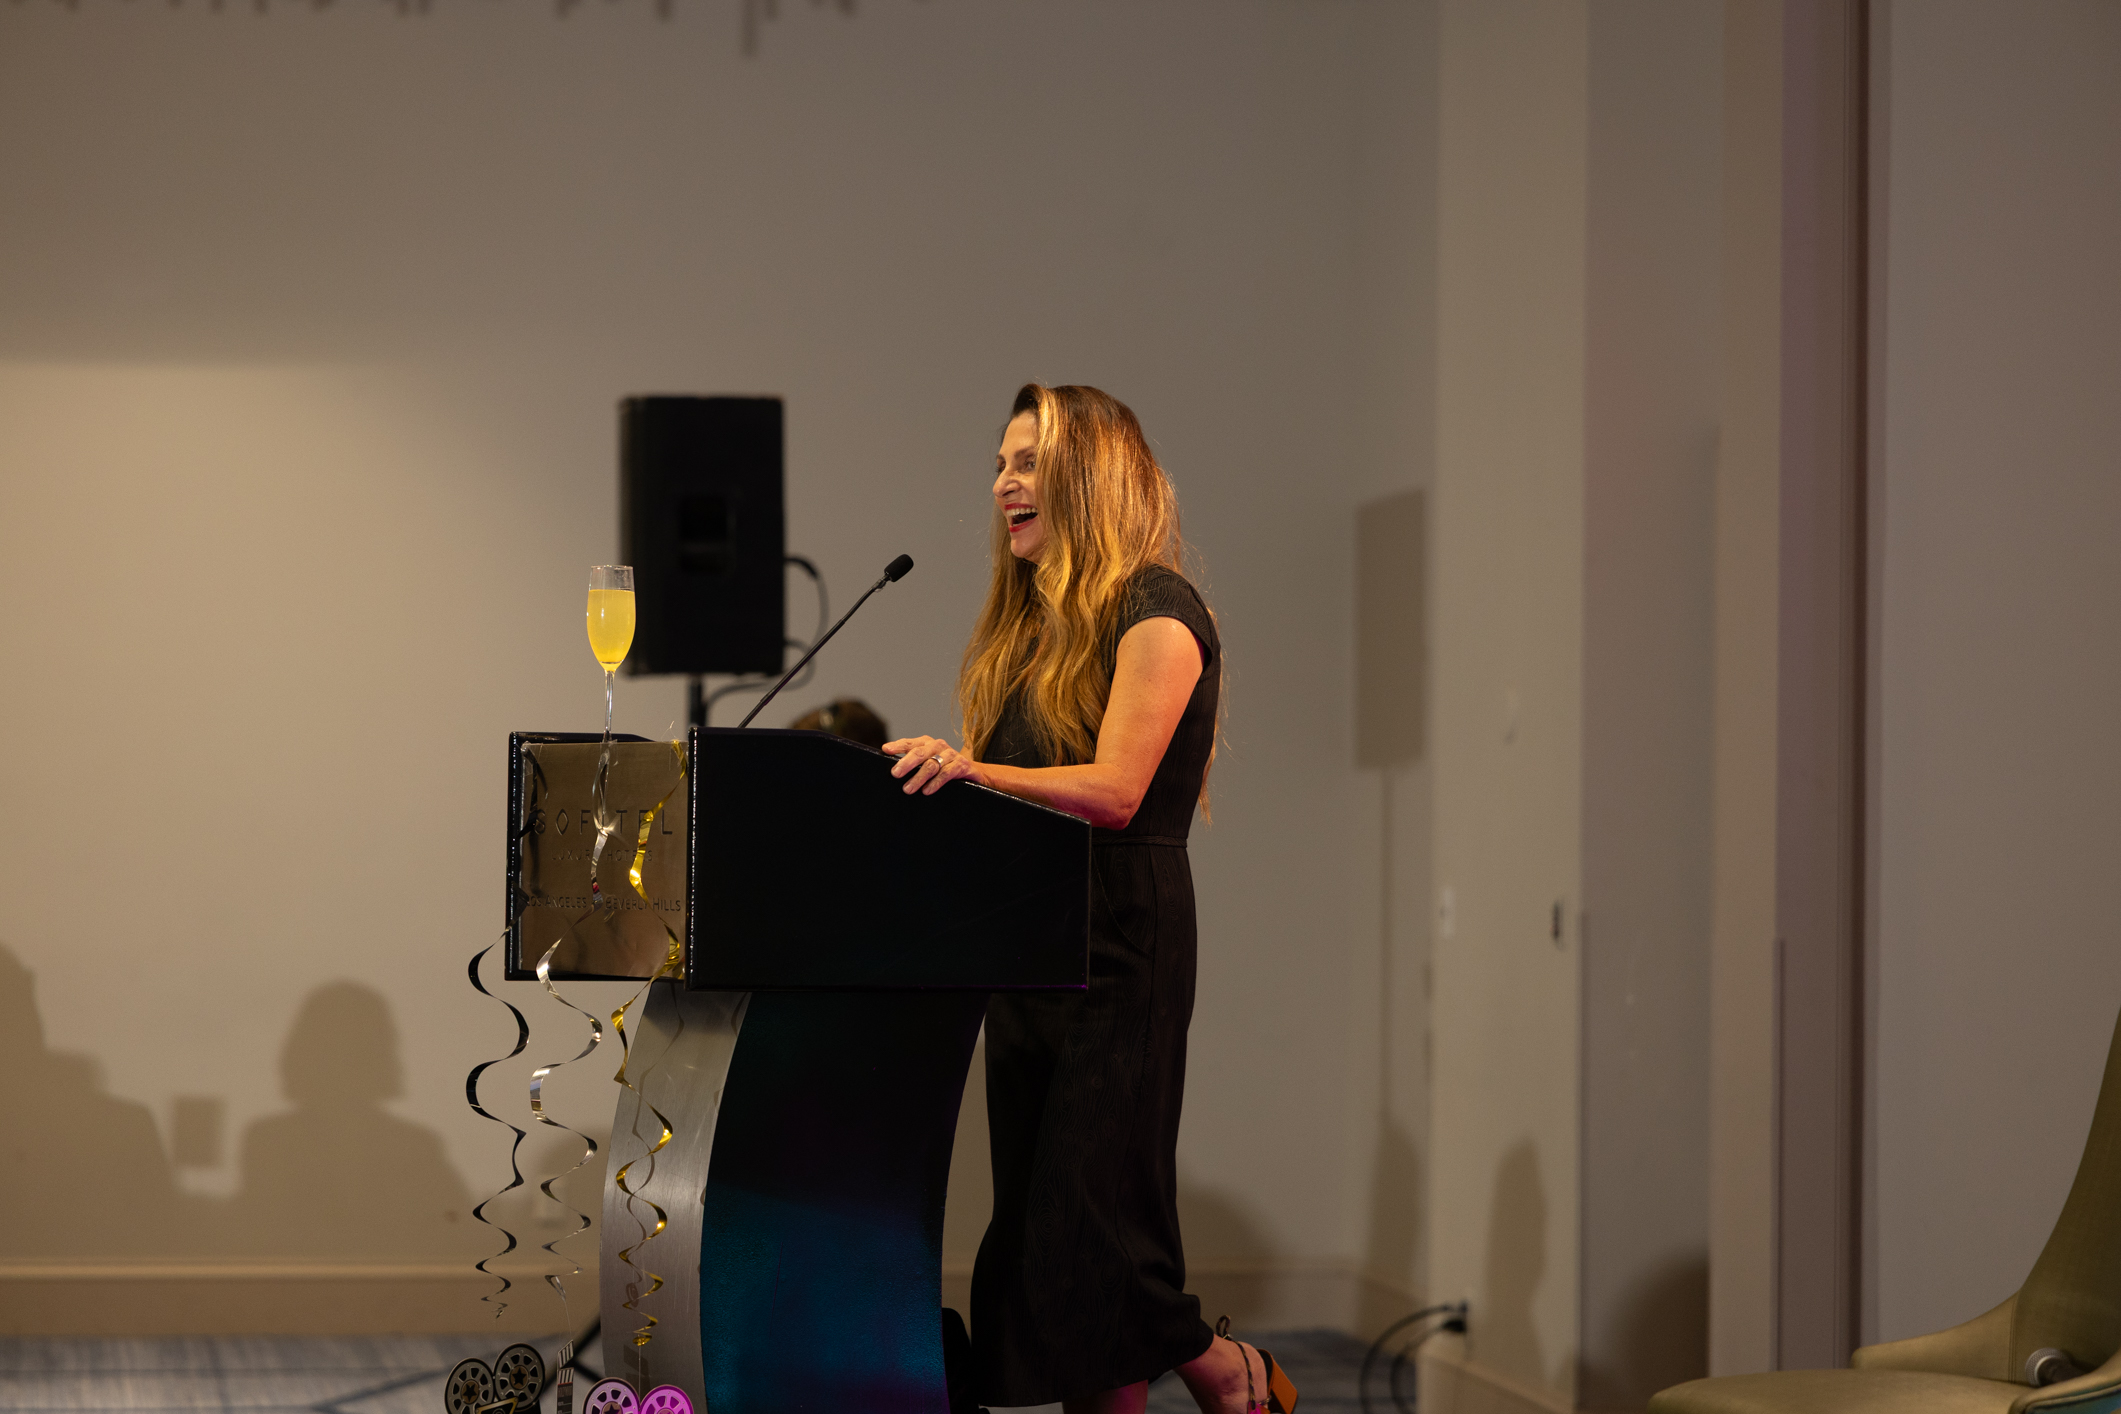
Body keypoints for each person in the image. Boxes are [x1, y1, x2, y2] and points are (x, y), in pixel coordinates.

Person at [883, 384, 1299, 1414]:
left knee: (1092, 1220)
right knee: (1043, 1227)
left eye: (1027, 461)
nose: (1003, 483)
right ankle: (1218, 1368)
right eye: (999, 463)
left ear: (1089, 476)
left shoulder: (1158, 610)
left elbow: (1115, 793)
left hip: (1118, 946)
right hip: (1029, 948)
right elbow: (1012, 808)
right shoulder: (1029, 631)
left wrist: (969, 771)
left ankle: (1219, 1364)